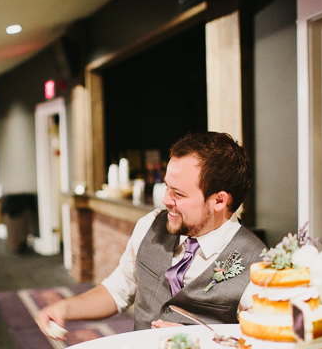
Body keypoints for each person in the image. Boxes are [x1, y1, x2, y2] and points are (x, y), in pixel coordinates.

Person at [37, 132, 266, 337]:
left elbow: (265, 346)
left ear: (219, 200)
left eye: (178, 194)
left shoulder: (259, 264)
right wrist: (65, 308)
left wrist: (204, 339)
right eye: (167, 187)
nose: (166, 200)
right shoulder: (150, 225)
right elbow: (118, 289)